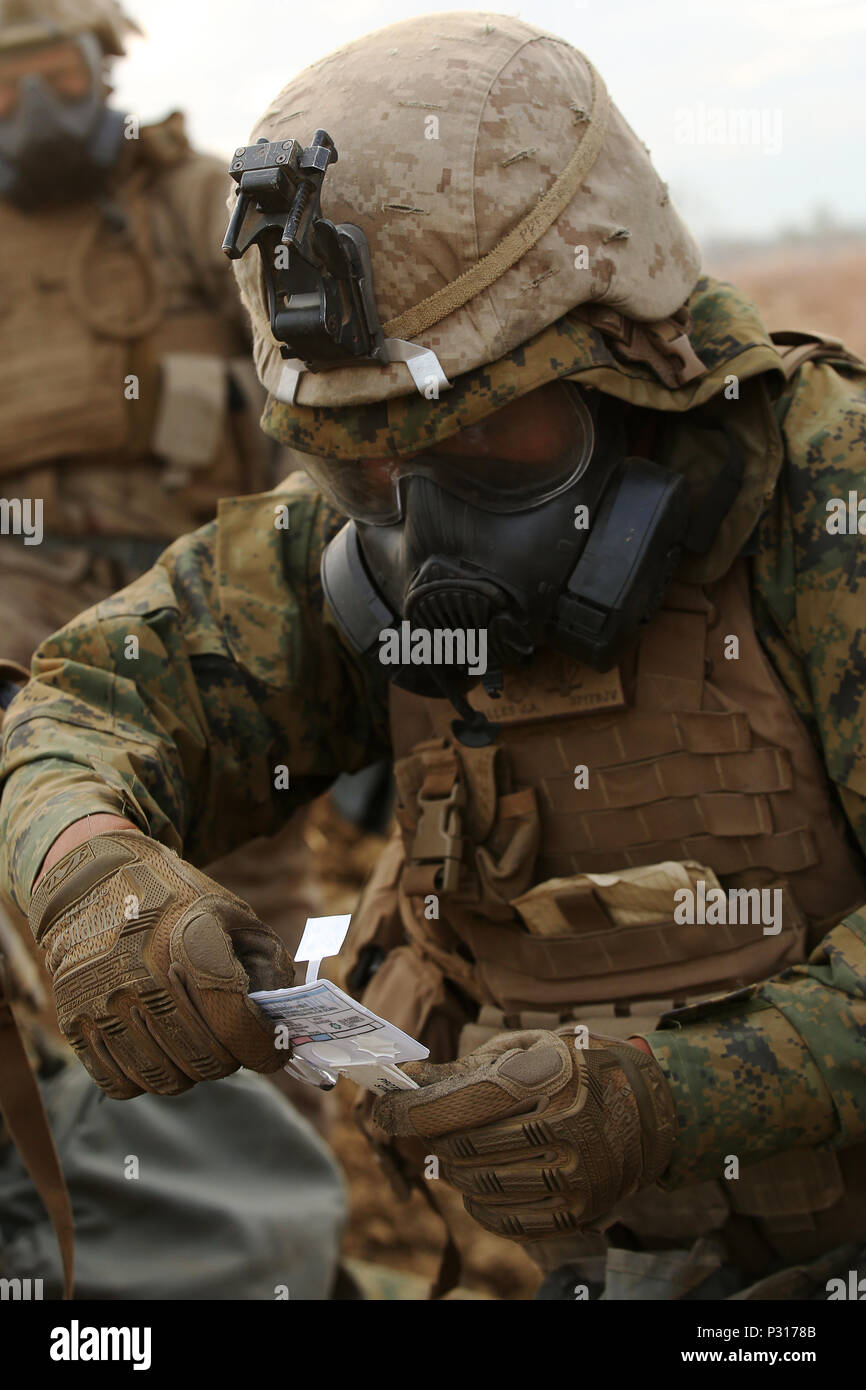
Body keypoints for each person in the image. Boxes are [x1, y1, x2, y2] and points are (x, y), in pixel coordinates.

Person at [2, 10, 865, 1301]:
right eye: (359, 460)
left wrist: (678, 1092)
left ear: (624, 352)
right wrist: (84, 869)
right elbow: (86, 699)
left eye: (482, 446)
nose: (419, 525)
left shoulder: (827, 506)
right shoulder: (338, 537)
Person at [0, 0, 345, 1301]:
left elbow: (308, 424)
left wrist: (345, 638)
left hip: (215, 648)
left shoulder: (205, 206)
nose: (34, 116)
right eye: (2, 91)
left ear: (105, 73)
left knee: (247, 975)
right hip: (23, 656)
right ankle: (98, 1251)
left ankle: (277, 1248)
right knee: (64, 967)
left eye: (53, 77)